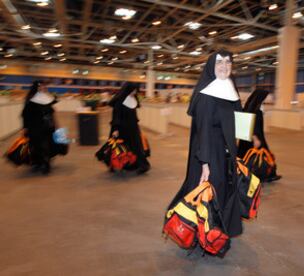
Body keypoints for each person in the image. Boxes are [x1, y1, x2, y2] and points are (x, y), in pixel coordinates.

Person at [166, 50, 243, 238]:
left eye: (228, 62)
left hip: (226, 151)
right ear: (211, 66)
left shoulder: (230, 88)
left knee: (223, 188)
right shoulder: (207, 94)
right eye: (219, 63)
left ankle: (218, 228)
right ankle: (203, 233)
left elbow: (238, 119)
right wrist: (205, 163)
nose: (224, 66)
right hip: (210, 152)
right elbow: (204, 131)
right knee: (209, 191)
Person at [238, 89, 282, 181]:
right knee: (262, 156)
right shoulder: (254, 110)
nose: (264, 99)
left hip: (248, 139)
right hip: (256, 138)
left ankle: (247, 174)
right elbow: (251, 125)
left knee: (247, 157)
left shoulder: (250, 108)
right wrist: (255, 138)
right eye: (264, 97)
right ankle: (264, 175)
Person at [108, 82, 150, 174]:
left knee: (137, 147)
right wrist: (115, 129)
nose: (135, 92)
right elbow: (116, 116)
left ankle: (142, 165)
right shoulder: (120, 100)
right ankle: (116, 165)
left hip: (133, 128)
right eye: (133, 90)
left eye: (136, 90)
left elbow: (134, 115)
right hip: (121, 128)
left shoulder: (133, 99)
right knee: (119, 148)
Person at [22, 80, 57, 174]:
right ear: (36, 87)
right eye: (41, 86)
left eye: (44, 86)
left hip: (46, 126)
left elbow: (52, 108)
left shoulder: (46, 98)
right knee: (35, 145)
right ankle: (38, 162)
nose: (43, 88)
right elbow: (25, 114)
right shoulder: (30, 99)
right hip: (34, 127)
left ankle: (46, 164)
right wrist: (25, 127)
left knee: (46, 145)